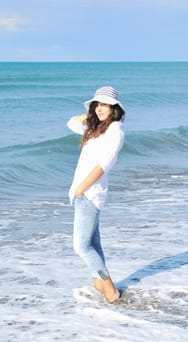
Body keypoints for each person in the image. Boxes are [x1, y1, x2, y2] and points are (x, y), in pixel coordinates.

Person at [67, 86, 125, 303]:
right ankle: (98, 281)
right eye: (97, 104)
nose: (100, 108)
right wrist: (91, 114)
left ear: (114, 108)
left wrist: (82, 187)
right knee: (93, 243)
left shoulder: (115, 131)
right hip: (83, 192)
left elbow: (103, 165)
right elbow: (71, 122)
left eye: (105, 105)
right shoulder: (98, 127)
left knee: (81, 246)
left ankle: (109, 287)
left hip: (90, 193)